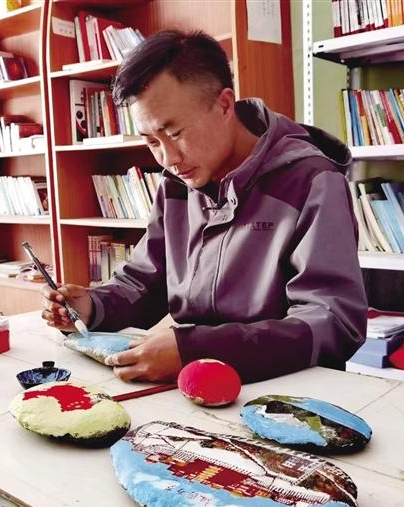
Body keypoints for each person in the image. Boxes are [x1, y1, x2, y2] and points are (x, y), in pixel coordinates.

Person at [42, 30, 367, 384]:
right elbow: (145, 282)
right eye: (151, 142)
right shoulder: (177, 182)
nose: (168, 158)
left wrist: (198, 350)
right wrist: (92, 306)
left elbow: (333, 322)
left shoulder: (312, 181)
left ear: (225, 105)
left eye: (175, 133)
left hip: (288, 390)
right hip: (193, 387)